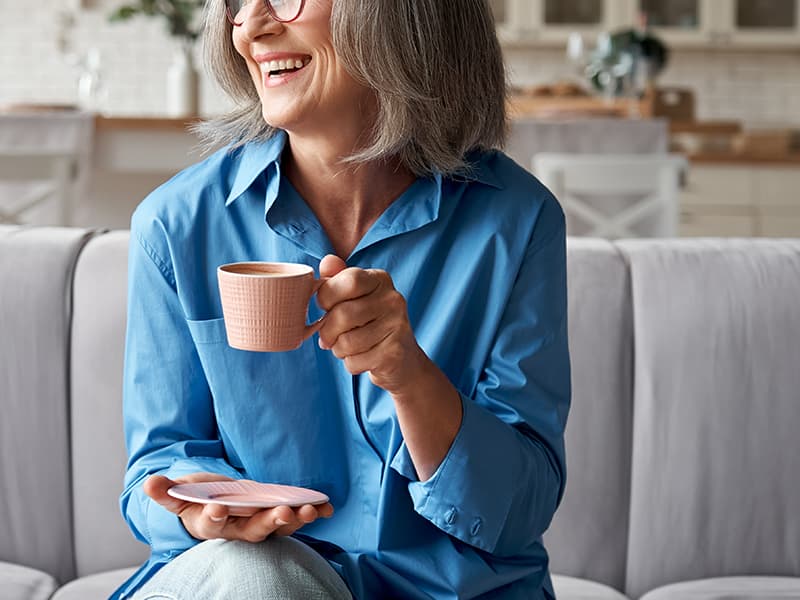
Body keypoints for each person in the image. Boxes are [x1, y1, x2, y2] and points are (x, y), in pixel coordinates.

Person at [113, 0, 571, 598]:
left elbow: (519, 510)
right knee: (258, 578)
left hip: (452, 589)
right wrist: (197, 509)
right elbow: (157, 466)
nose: (250, 26)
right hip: (251, 578)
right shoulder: (175, 227)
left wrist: (411, 377)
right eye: (235, 4)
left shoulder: (517, 222)